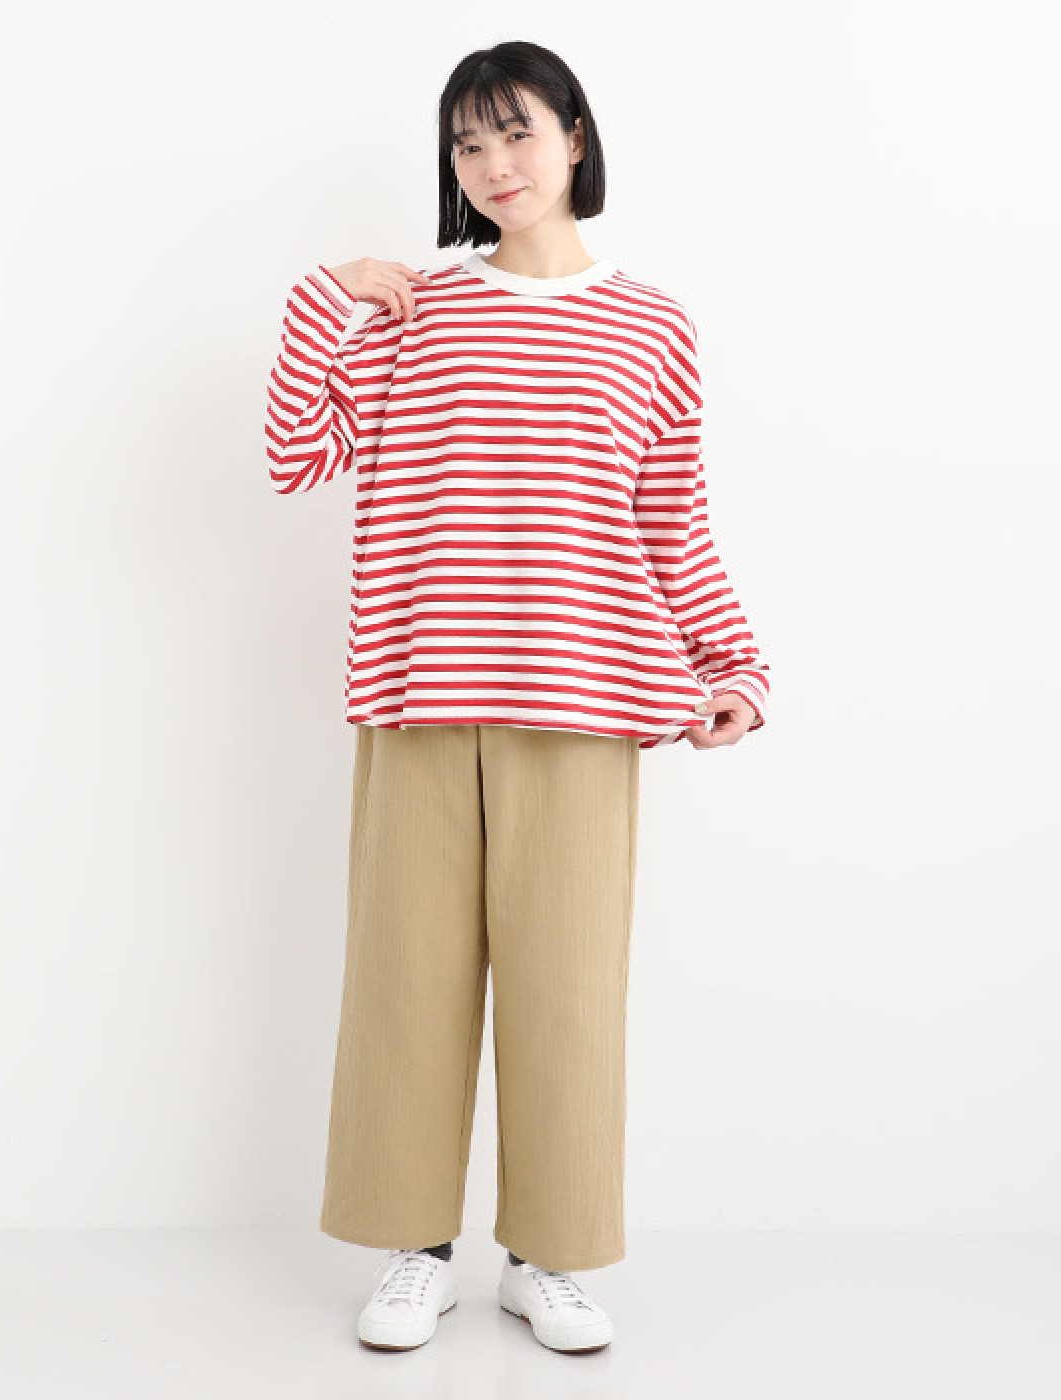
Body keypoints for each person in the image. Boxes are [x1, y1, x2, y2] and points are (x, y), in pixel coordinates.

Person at [265, 40, 771, 1354]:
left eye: (518, 132)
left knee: (567, 994)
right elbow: (296, 456)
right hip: (422, 689)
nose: (494, 164)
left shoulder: (652, 326)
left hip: (586, 698)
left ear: (575, 138)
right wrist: (325, 297)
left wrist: (730, 663)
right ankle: (416, 1251)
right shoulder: (420, 310)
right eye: (468, 143)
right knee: (407, 987)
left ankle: (547, 1258)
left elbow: (671, 520)